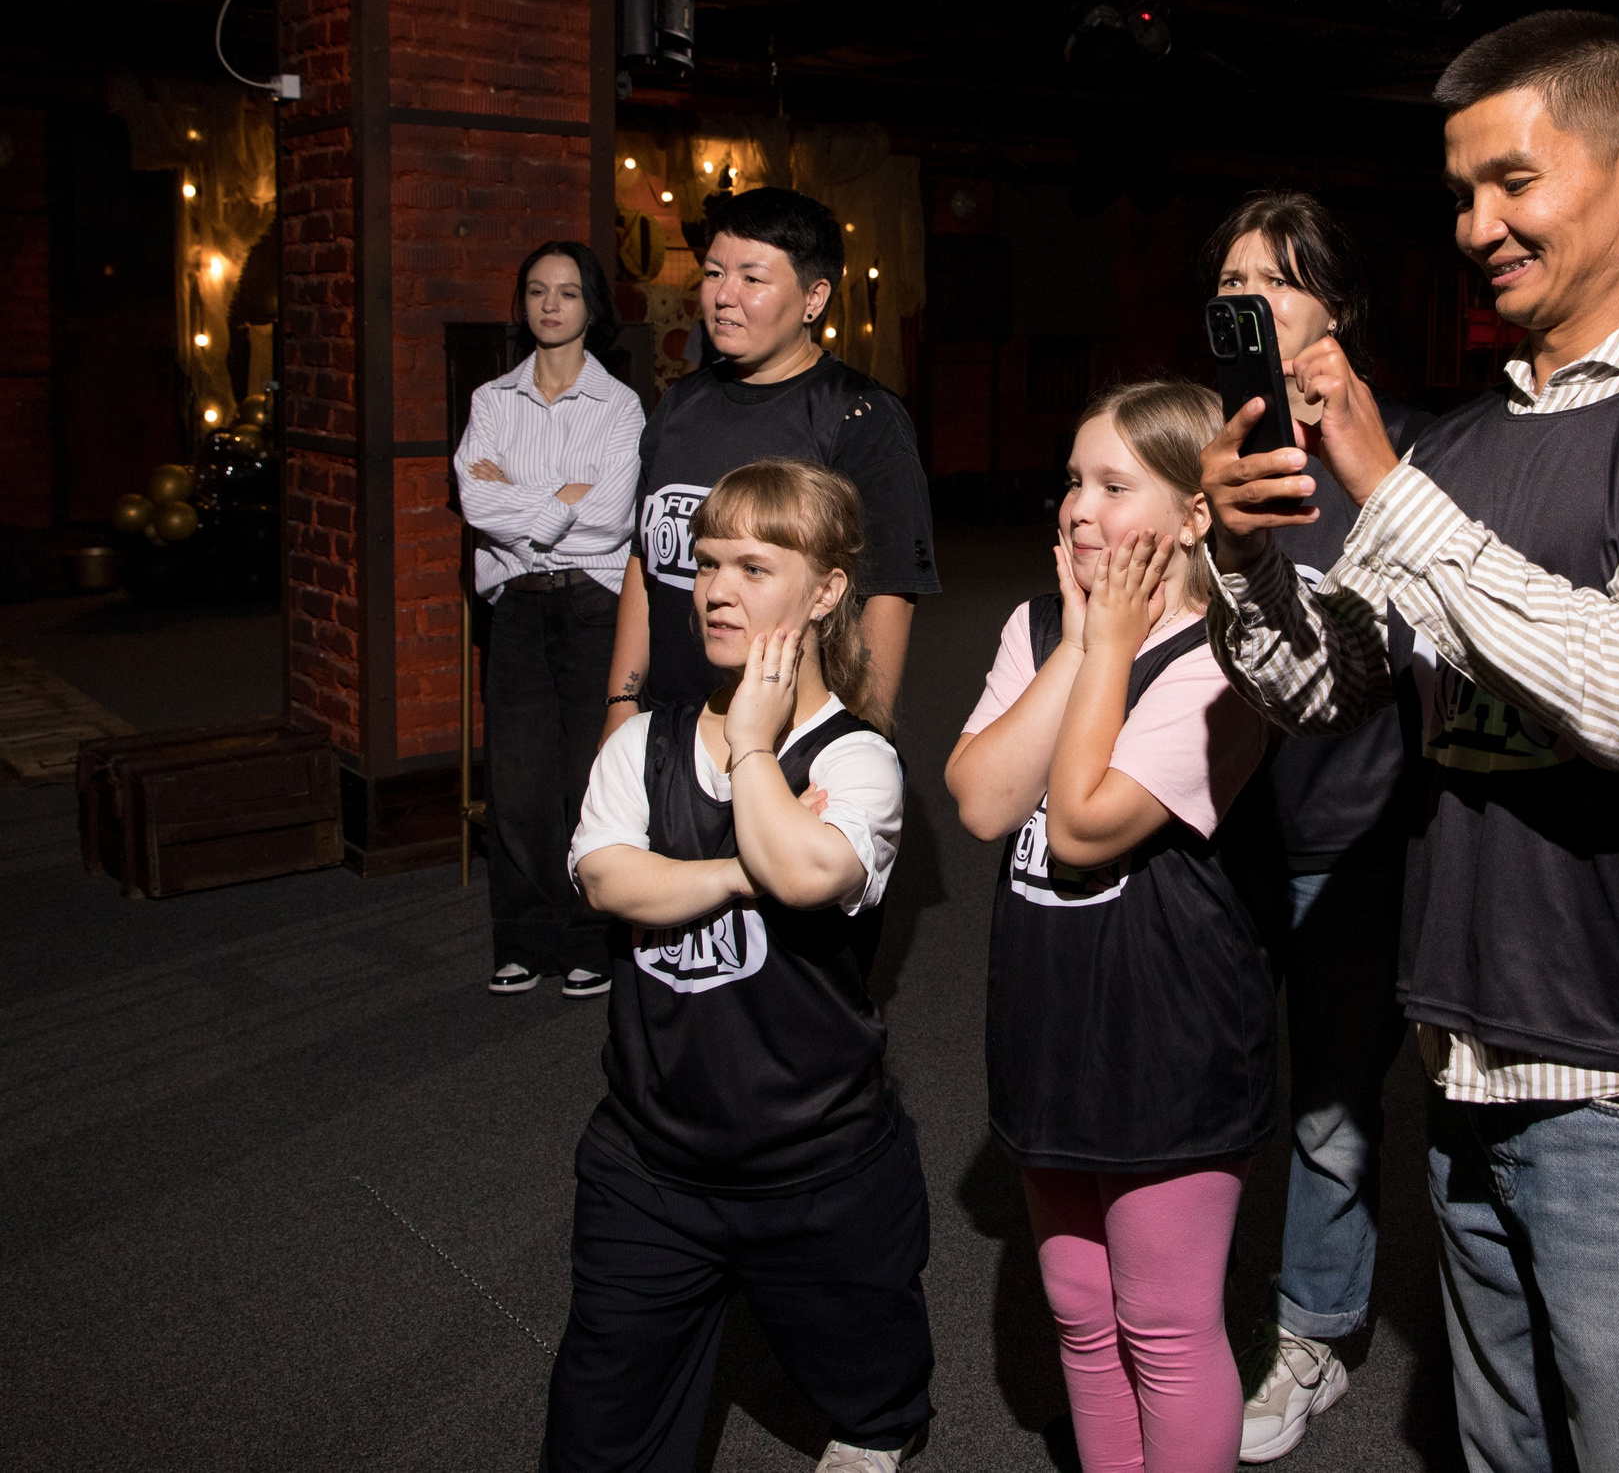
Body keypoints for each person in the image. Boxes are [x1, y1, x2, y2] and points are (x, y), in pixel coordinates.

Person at [1203, 9, 1619, 1473]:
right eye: (1459, 194)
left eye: (1513, 180)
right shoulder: (1461, 443)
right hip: (1463, 1062)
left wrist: (1386, 490)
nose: (1477, 226)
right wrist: (1245, 558)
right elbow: (1325, 691)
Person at [548, 459, 932, 1473]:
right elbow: (605, 877)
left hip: (814, 1158)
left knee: (872, 1392)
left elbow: (808, 875)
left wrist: (755, 747)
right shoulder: (644, 745)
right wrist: (735, 869)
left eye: (755, 567)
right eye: (708, 562)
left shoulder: (855, 758)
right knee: (597, 1431)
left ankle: (876, 1420)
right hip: (650, 1159)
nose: (716, 590)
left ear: (827, 590)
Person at [946, 380, 1274, 1473]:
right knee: (1082, 1316)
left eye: (1114, 486)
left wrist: (1110, 650)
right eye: (1073, 481)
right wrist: (1080, 646)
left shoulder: (1225, 656)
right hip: (1050, 1028)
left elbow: (1082, 823)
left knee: (1166, 1329)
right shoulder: (1040, 625)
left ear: (1194, 513)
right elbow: (984, 800)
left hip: (1169, 1042)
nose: (1078, 508)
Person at [1198, 191, 1432, 1464]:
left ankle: (1315, 1330)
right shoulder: (1205, 448)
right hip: (1218, 829)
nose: (1246, 300)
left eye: (1275, 280)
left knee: (1335, 1107)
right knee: (1217, 1085)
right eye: (1231, 281)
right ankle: (1187, 1313)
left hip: (1356, 836)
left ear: (1334, 306)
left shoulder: (1394, 454)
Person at [604, 187, 935, 741]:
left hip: (788, 736)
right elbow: (644, 563)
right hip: (670, 729)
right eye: (714, 274)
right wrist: (621, 702)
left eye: (752, 279)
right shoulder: (678, 405)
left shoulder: (858, 415)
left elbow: (890, 594)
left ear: (813, 298)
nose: (723, 296)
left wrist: (855, 743)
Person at [454, 239, 645, 1000]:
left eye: (567, 292)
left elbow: (612, 516)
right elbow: (476, 502)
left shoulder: (620, 406)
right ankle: (523, 939)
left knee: (587, 777)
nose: (551, 305)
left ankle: (591, 937)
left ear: (591, 307)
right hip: (518, 609)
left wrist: (522, 499)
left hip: (595, 605)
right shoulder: (492, 401)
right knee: (518, 781)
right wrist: (562, 498)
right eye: (537, 290)